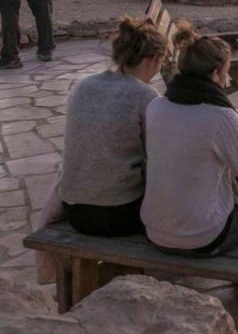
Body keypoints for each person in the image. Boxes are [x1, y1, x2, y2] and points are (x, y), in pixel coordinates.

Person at [141, 23, 238, 260]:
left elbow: (189, 136)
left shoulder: (156, 107)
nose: (226, 82)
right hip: (200, 238)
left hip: (155, 231)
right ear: (215, 73)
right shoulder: (220, 117)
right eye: (225, 73)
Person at [59, 16, 167, 237]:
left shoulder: (83, 86)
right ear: (153, 60)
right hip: (118, 213)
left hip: (73, 210)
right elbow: (158, 156)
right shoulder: (144, 95)